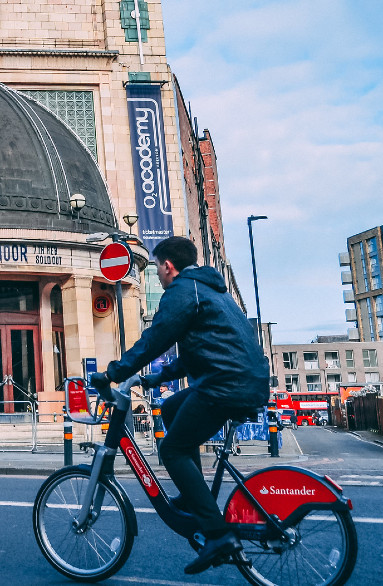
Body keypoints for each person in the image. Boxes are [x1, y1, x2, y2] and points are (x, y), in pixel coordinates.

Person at [89, 236, 269, 575]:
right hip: (239, 380)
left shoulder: (182, 293)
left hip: (225, 385)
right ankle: (192, 495)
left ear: (168, 266)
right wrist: (151, 380)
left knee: (172, 450)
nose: (156, 274)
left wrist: (114, 372)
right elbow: (192, 353)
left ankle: (217, 535)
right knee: (171, 410)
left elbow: (155, 339)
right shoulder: (209, 291)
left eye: (156, 267)